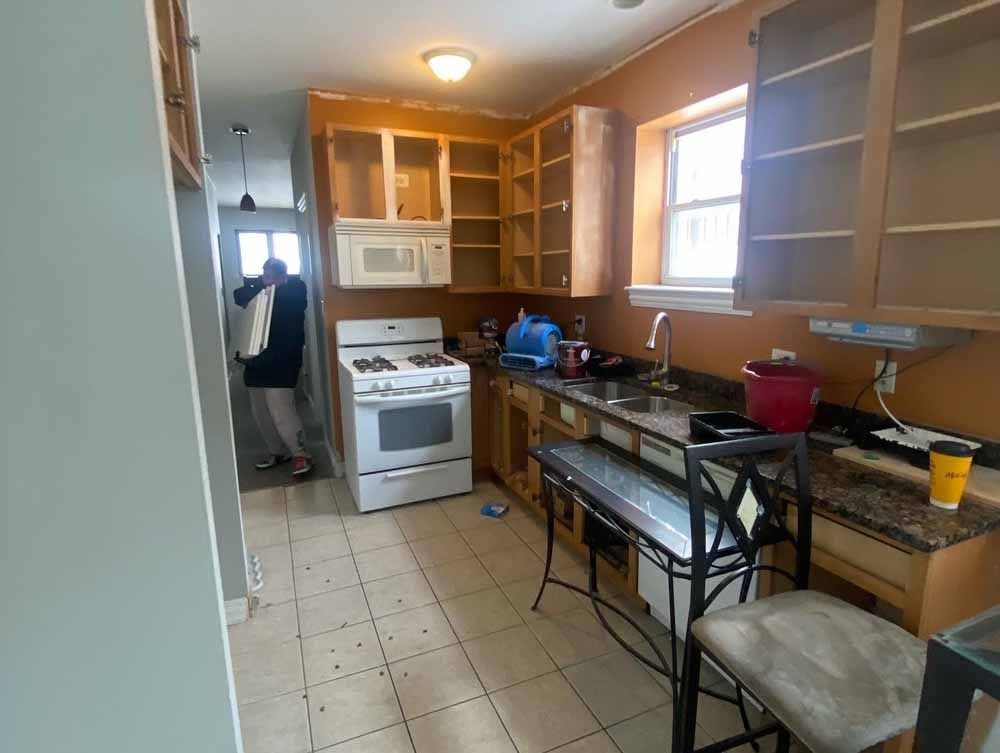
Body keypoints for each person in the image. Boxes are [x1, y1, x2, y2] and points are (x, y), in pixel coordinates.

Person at [234, 257, 313, 477]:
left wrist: (264, 289)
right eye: (264, 276)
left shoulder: (294, 292)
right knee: (260, 412)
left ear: (283, 277)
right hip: (256, 361)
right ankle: (277, 452)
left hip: (282, 360)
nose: (266, 281)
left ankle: (300, 454)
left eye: (271, 277)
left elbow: (277, 299)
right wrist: (262, 285)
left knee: (281, 411)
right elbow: (238, 296)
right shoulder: (262, 291)